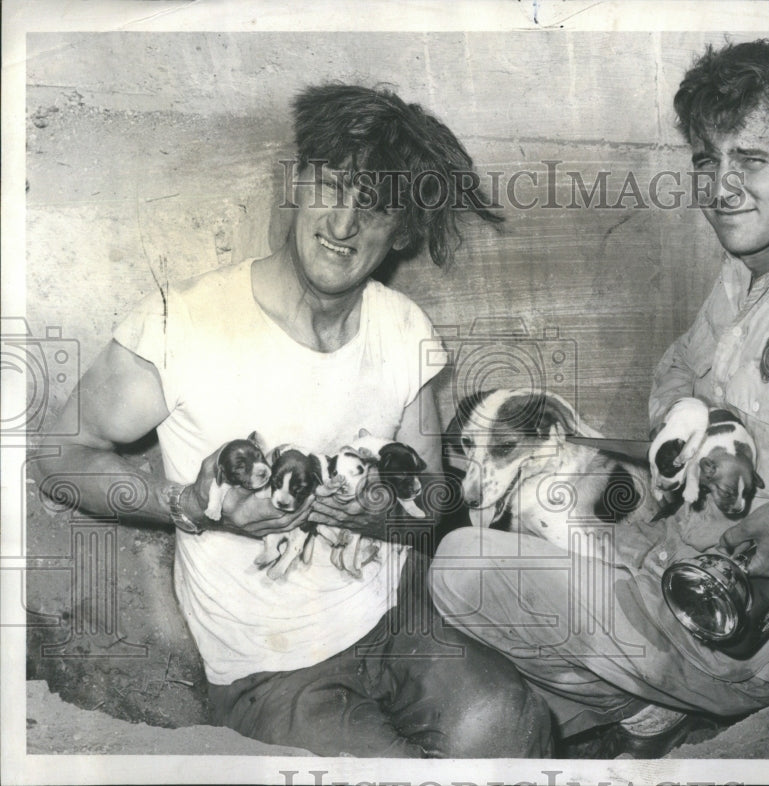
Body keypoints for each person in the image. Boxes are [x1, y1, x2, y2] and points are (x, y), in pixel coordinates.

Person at [429, 39, 769, 757]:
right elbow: (677, 366)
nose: (719, 188)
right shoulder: (754, 260)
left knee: (459, 567)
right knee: (540, 473)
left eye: (750, 160)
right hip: (667, 547)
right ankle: (641, 704)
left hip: (735, 626)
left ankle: (643, 705)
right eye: (706, 161)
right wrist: (685, 426)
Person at [38, 83, 552, 758]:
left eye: (373, 208)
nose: (342, 226)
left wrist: (383, 514)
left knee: (511, 724)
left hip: (396, 625)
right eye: (332, 188)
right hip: (267, 668)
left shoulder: (402, 328)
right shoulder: (182, 323)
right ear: (297, 180)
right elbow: (57, 457)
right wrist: (194, 506)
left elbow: (428, 501)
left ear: (401, 230)